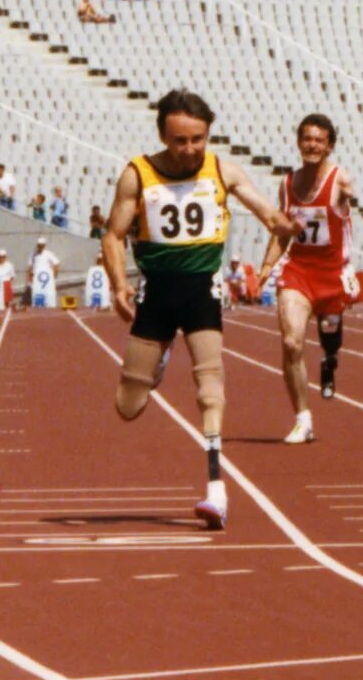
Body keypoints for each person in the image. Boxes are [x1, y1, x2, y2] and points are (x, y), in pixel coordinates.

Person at [103, 89, 290, 530]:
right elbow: (113, 235)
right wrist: (118, 285)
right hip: (156, 293)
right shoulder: (138, 174)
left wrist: (267, 259)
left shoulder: (223, 171)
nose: (189, 150)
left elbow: (274, 221)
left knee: (210, 384)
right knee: (128, 404)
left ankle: (215, 490)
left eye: (198, 139)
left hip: (202, 289)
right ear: (163, 136)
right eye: (179, 140)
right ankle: (159, 357)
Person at [266, 114, 361, 441]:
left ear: (329, 146)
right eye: (307, 139)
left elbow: (348, 201)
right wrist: (265, 269)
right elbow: (281, 233)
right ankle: (303, 419)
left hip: (332, 274)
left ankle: (330, 358)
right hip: (298, 272)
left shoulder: (339, 179)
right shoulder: (287, 184)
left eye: (319, 140)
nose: (312, 145)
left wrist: (348, 197)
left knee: (329, 337)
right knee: (291, 342)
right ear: (298, 142)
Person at [28, 237, 61, 312]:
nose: (41, 247)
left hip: (47, 279)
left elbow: (57, 263)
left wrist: (55, 274)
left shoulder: (49, 254)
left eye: (42, 245)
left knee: (48, 293)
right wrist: (30, 278)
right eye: (39, 245)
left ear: (45, 245)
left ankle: (50, 306)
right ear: (37, 245)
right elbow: (30, 266)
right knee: (37, 293)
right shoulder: (34, 255)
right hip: (37, 279)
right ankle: (38, 306)